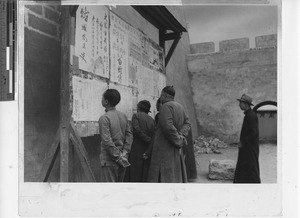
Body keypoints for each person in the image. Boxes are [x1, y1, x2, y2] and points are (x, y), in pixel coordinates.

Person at [147, 86, 191, 183]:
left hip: (164, 148)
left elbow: (168, 127)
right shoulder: (180, 106)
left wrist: (178, 140)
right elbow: (187, 123)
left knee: (164, 177)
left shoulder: (166, 107)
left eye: (161, 95)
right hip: (175, 148)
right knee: (174, 174)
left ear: (165, 95)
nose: (160, 98)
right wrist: (181, 135)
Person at [98, 89, 133, 182]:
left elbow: (107, 141)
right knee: (118, 190)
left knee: (109, 191)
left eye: (102, 97)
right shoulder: (123, 116)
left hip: (109, 160)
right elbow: (129, 136)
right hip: (123, 159)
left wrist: (118, 157)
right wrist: (124, 153)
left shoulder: (104, 118)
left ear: (106, 102)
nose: (101, 99)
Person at [234, 94, 261, 183]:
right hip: (247, 146)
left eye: (241, 103)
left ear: (246, 104)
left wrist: (243, 142)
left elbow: (254, 133)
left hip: (250, 148)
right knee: (245, 166)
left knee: (251, 167)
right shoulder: (248, 115)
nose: (239, 105)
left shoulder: (251, 116)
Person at [126, 100, 155, 182]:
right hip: (147, 149)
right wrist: (149, 141)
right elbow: (154, 136)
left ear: (139, 108)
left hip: (136, 148)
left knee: (134, 173)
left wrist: (146, 138)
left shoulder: (136, 116)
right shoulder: (152, 120)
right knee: (144, 173)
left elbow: (136, 130)